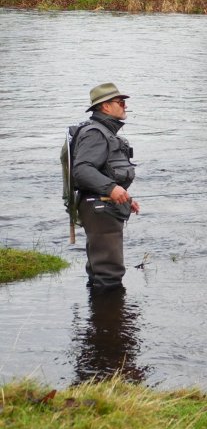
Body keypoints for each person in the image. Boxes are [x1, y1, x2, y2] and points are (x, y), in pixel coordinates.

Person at [71, 82, 139, 291]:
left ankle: (100, 321)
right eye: (120, 102)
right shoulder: (96, 133)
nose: (124, 106)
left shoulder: (103, 131)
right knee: (109, 274)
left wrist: (124, 196)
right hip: (99, 209)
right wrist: (111, 189)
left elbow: (104, 172)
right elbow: (81, 169)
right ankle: (110, 323)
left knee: (101, 271)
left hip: (102, 206)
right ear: (105, 107)